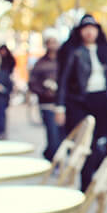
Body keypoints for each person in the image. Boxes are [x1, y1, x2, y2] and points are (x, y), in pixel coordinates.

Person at [54, 13, 107, 190]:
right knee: (85, 144)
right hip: (79, 103)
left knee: (102, 143)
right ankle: (84, 182)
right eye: (85, 29)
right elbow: (63, 80)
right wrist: (60, 107)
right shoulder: (73, 51)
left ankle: (94, 179)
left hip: (103, 102)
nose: (89, 32)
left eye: (92, 29)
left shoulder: (105, 51)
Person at [28, 30, 62, 160]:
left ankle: (53, 156)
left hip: (62, 104)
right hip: (47, 104)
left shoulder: (64, 60)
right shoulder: (40, 63)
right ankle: (52, 158)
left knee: (62, 137)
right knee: (53, 136)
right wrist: (44, 91)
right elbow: (32, 83)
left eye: (54, 42)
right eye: (50, 42)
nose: (52, 45)